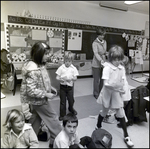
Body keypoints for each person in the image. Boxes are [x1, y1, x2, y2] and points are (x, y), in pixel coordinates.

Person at [20, 41, 62, 148]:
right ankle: (59, 139)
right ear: (39, 54)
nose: (48, 56)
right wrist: (46, 94)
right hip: (39, 101)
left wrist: (49, 87)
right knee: (53, 120)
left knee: (35, 122)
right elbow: (31, 90)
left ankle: (28, 142)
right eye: (46, 54)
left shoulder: (40, 65)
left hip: (37, 100)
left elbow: (42, 81)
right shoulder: (33, 70)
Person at [96, 45, 134, 148]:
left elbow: (122, 81)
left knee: (120, 113)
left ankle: (126, 135)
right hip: (108, 92)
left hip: (116, 92)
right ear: (111, 58)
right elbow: (106, 84)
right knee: (104, 111)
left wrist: (122, 89)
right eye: (115, 59)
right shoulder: (107, 68)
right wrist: (116, 86)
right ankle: (98, 125)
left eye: (119, 59)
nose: (117, 61)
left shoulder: (121, 68)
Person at [56, 51, 79, 121]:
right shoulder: (61, 68)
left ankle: (71, 108)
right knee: (63, 101)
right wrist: (60, 79)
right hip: (63, 87)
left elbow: (75, 78)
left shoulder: (73, 68)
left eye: (69, 61)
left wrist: (72, 79)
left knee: (71, 100)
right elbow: (57, 77)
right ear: (64, 61)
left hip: (70, 88)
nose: (67, 63)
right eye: (66, 61)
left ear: (72, 61)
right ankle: (62, 115)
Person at [92, 28, 107, 99]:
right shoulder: (94, 43)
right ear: (98, 35)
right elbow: (96, 53)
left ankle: (101, 92)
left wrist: (107, 54)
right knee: (96, 80)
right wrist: (101, 60)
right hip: (96, 63)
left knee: (102, 79)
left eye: (103, 35)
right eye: (101, 35)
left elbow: (104, 52)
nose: (102, 37)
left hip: (103, 63)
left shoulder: (105, 42)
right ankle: (96, 93)